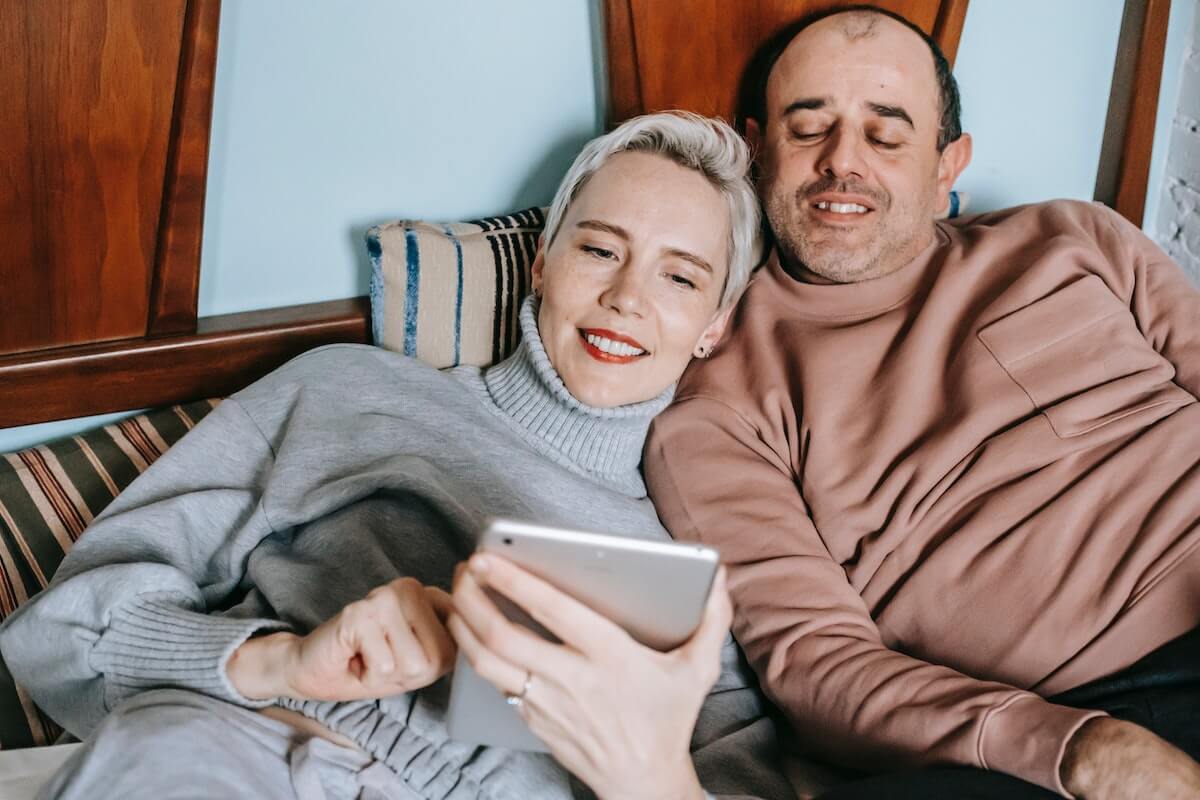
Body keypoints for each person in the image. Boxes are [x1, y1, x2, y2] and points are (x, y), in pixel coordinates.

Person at [0, 112, 796, 800]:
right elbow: (61, 630)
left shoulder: (687, 581)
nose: (627, 297)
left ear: (714, 327)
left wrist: (652, 777)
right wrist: (282, 663)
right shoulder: (346, 390)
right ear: (543, 262)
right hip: (236, 753)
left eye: (680, 277)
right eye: (599, 250)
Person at [645, 6, 1200, 800]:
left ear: (947, 165)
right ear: (758, 150)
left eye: (886, 133)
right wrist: (1075, 747)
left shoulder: (1073, 237)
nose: (844, 163)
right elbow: (818, 664)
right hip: (1053, 720)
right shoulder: (717, 405)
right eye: (810, 129)